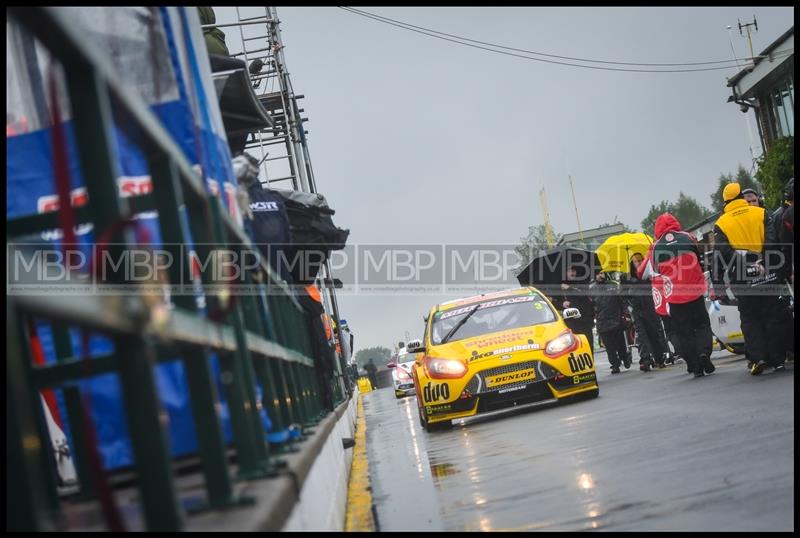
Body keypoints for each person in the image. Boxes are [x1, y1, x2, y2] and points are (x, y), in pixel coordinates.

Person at [711, 182, 789, 375]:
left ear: (725, 201)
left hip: (742, 277)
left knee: (750, 319)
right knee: (772, 315)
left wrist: (746, 265)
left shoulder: (721, 223)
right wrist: (763, 262)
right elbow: (772, 240)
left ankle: (758, 358)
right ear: (740, 197)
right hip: (767, 272)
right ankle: (778, 359)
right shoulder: (761, 214)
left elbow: (724, 251)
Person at [639, 213, 714, 378]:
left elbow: (651, 271)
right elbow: (698, 255)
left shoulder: (656, 247)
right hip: (695, 291)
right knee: (702, 325)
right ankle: (704, 353)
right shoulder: (687, 237)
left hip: (675, 297)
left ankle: (695, 366)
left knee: (684, 332)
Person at [625, 253, 668, 371]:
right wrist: (629, 307)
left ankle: (659, 358)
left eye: (639, 261)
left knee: (654, 334)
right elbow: (623, 296)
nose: (638, 263)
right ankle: (645, 360)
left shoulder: (649, 275)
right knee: (642, 336)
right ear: (632, 264)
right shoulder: (627, 279)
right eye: (635, 262)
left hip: (650, 308)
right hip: (636, 310)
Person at [591, 272, 629, 373]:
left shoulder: (613, 285)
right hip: (602, 321)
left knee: (620, 343)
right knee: (609, 346)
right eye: (598, 274)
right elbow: (590, 306)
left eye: (602, 273)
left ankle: (624, 358)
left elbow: (622, 301)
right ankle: (614, 365)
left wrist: (624, 314)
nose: (600, 275)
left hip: (616, 319)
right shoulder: (591, 289)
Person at [555, 266, 596, 356]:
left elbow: (584, 295)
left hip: (585, 321)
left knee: (588, 345)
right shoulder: (560, 288)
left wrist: (569, 288)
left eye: (573, 270)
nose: (572, 273)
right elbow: (554, 303)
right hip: (570, 323)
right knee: (574, 348)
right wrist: (562, 304)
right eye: (569, 271)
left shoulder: (582, 283)